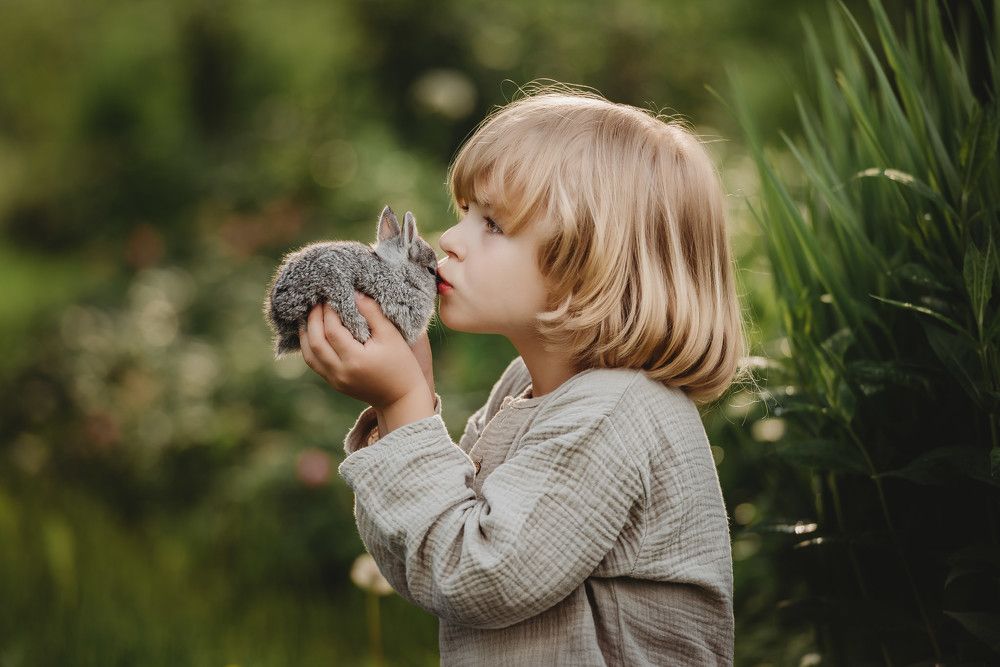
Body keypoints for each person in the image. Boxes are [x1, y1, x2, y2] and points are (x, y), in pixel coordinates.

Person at [298, 82, 751, 666]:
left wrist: (406, 404)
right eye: (465, 212)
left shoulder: (615, 413)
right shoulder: (526, 388)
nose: (449, 241)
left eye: (493, 225)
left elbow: (476, 577)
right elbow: (429, 560)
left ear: (591, 266)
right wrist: (404, 405)